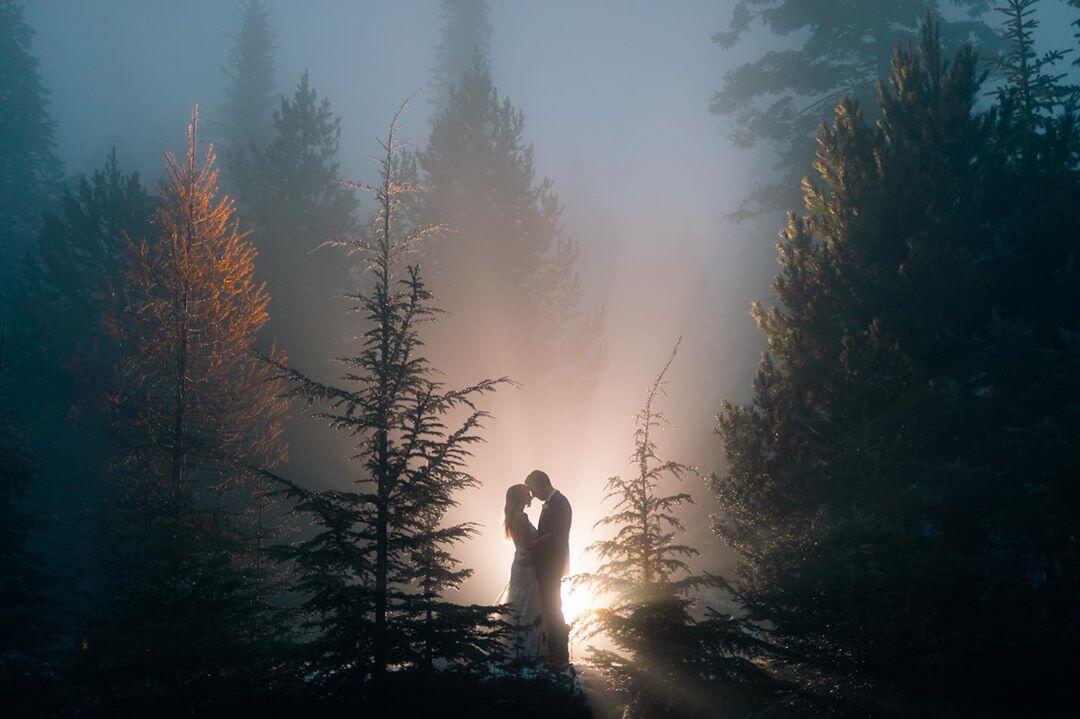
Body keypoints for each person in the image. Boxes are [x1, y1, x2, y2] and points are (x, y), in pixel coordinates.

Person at [524, 469, 572, 667]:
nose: (533, 496)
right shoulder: (553, 503)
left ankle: (559, 655)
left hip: (552, 564)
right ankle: (554, 651)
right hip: (548, 564)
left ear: (543, 483)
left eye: (533, 490)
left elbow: (556, 536)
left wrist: (530, 549)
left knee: (553, 607)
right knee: (550, 606)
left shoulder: (560, 503)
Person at [502, 483, 546, 662]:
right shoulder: (521, 517)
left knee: (521, 604)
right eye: (528, 493)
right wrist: (550, 537)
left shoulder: (514, 517)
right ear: (521, 497)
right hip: (526, 566)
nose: (531, 496)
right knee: (530, 604)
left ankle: (519, 648)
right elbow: (528, 545)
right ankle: (529, 650)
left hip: (521, 564)